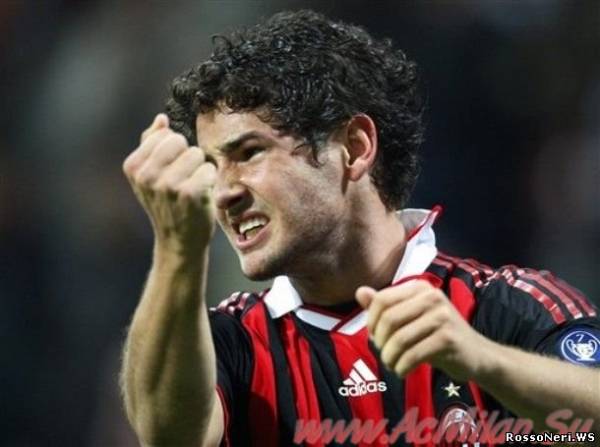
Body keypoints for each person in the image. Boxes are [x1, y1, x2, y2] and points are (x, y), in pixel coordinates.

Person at [119, 10, 599, 447]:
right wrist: (177, 249)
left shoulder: (506, 309)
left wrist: (485, 361)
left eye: (249, 153)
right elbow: (168, 437)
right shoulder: (231, 343)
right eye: (211, 166)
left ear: (354, 146)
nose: (224, 191)